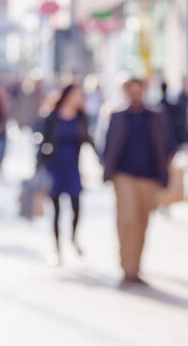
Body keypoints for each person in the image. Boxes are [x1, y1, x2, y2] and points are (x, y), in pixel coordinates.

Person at [103, 77, 171, 286]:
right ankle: (127, 268)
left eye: (138, 91)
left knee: (142, 222)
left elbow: (168, 144)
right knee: (127, 220)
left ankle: (136, 267)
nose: (135, 96)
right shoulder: (118, 116)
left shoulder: (156, 116)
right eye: (131, 91)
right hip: (124, 175)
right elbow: (106, 145)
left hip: (149, 177)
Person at [39, 84, 93, 265]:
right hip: (55, 166)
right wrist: (37, 167)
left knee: (77, 206)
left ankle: (73, 237)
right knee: (56, 210)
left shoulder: (80, 118)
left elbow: (89, 140)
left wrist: (103, 161)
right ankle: (57, 249)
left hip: (73, 167)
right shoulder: (52, 117)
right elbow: (43, 143)